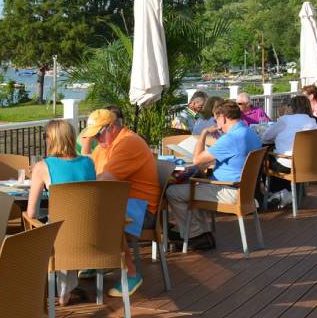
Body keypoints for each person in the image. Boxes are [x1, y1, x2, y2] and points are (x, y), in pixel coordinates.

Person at [79, 108, 160, 296]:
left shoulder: (128, 143)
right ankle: (98, 261)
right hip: (122, 203)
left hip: (142, 210)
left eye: (98, 134)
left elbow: (103, 179)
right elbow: (89, 168)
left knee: (103, 218)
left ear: (113, 127)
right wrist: (87, 143)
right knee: (89, 214)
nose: (97, 139)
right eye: (94, 136)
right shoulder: (105, 145)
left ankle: (131, 273)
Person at [165, 101, 261, 250]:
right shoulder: (250, 133)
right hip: (244, 191)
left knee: (173, 192)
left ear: (223, 118)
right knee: (194, 187)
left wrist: (203, 134)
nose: (217, 124)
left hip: (227, 191)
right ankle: (201, 234)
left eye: (216, 120)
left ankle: (196, 235)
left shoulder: (230, 139)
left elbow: (197, 160)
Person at [26, 119, 95, 305]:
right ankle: (65, 291)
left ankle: (36, 290)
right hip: (89, 231)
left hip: (61, 236)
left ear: (51, 139)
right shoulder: (88, 163)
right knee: (68, 222)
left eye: (45, 137)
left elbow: (31, 213)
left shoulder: (43, 167)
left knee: (47, 226)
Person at [261, 95, 317, 208]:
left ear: (292, 107)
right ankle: (287, 193)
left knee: (262, 159)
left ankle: (276, 194)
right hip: (310, 163)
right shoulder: (312, 121)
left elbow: (266, 138)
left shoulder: (285, 119)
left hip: (289, 164)